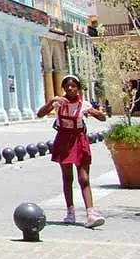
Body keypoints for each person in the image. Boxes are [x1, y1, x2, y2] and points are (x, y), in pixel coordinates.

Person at [37, 74, 107, 228]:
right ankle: (70, 211)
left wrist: (94, 112)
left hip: (79, 140)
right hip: (64, 140)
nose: (70, 88)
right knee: (67, 177)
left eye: (73, 86)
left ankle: (90, 213)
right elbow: (40, 114)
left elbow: (103, 118)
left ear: (78, 88)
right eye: (67, 86)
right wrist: (51, 101)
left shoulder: (84, 104)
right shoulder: (58, 103)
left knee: (84, 178)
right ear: (63, 88)